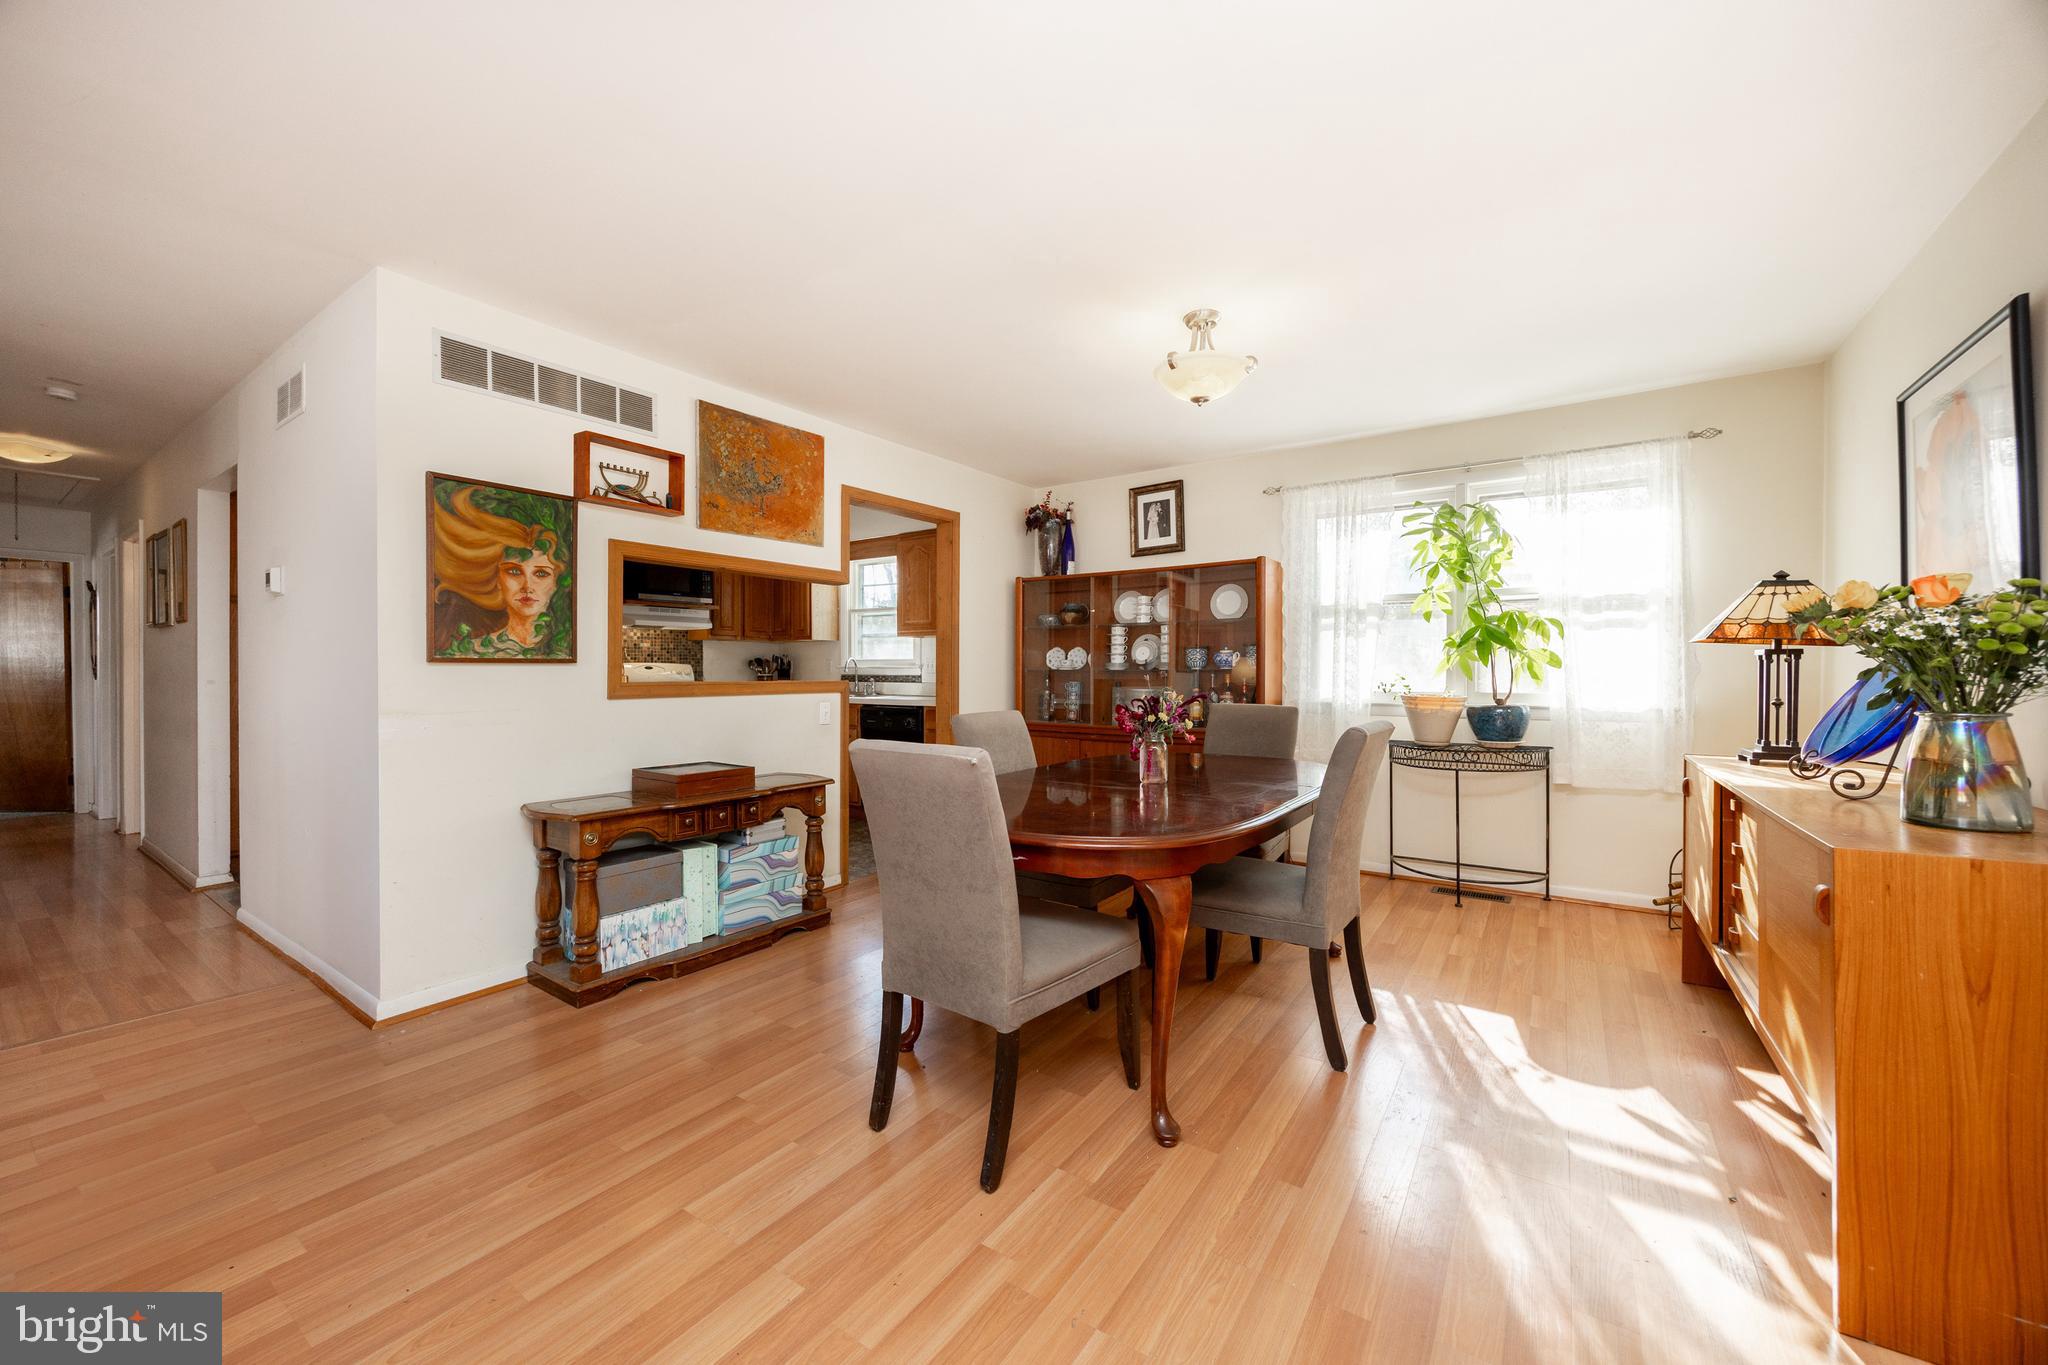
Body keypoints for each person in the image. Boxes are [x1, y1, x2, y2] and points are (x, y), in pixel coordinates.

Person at [430, 485, 570, 657]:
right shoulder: (472, 653)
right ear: (497, 579)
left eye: (541, 574)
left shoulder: (565, 650)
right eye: (514, 572)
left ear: (556, 582)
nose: (527, 586)